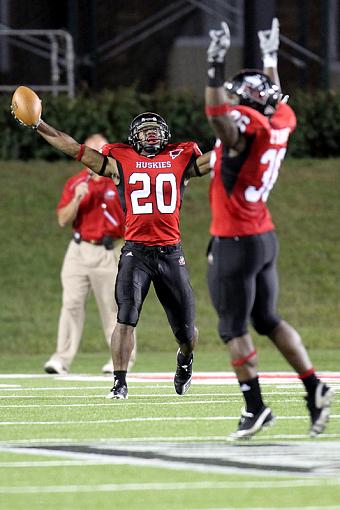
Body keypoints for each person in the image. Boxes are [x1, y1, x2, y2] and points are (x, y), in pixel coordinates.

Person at [11, 105, 211, 398]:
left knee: (187, 333)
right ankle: (119, 381)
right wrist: (39, 124)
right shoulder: (120, 160)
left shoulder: (180, 157)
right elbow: (73, 148)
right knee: (125, 317)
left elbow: (219, 158)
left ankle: (185, 358)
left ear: (165, 136)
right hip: (135, 252)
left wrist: (251, 133)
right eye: (145, 131)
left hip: (170, 252)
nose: (151, 135)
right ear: (134, 138)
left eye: (155, 130)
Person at [204, 18, 333, 439]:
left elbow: (217, 115)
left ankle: (254, 406)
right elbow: (273, 100)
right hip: (263, 236)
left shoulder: (248, 130)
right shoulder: (281, 122)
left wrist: (213, 64)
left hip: (236, 238)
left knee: (232, 328)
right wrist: (272, 59)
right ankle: (314, 386)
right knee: (268, 319)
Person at [43, 133, 137, 375]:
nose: (96, 153)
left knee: (113, 309)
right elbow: (63, 219)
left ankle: (120, 360)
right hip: (78, 250)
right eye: (92, 148)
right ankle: (61, 359)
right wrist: (77, 199)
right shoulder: (76, 183)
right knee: (71, 304)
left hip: (109, 250)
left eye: (100, 148)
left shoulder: (118, 182)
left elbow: (133, 216)